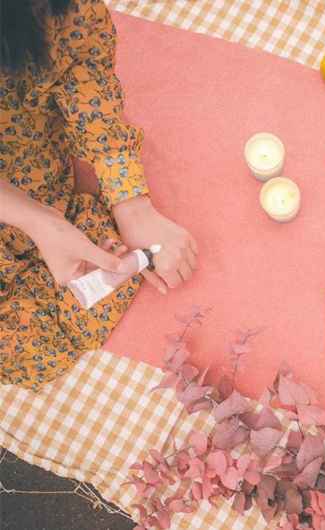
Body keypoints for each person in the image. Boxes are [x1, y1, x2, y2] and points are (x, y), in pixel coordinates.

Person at [0, 0, 197, 391]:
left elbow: (84, 73)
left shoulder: (60, 12)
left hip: (37, 170)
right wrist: (37, 220)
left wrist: (131, 204)